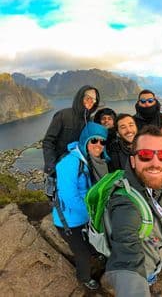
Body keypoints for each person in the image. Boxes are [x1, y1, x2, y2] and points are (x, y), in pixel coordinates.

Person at [102, 125, 162, 297]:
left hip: (155, 258)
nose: (156, 163)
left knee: (151, 277)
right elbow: (126, 250)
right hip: (143, 267)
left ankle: (151, 280)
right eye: (145, 155)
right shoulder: (126, 202)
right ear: (133, 161)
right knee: (147, 278)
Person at [53, 122, 108, 290]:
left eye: (102, 141)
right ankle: (84, 278)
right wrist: (93, 214)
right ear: (85, 140)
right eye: (94, 140)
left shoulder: (88, 160)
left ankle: (96, 254)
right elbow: (69, 197)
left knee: (91, 240)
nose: (98, 145)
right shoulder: (70, 163)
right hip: (68, 220)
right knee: (81, 253)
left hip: (82, 216)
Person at [43, 85, 100, 174]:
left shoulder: (90, 121)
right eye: (88, 98)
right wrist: (52, 167)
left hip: (80, 169)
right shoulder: (63, 115)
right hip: (60, 167)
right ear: (80, 97)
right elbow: (48, 141)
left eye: (94, 99)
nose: (91, 101)